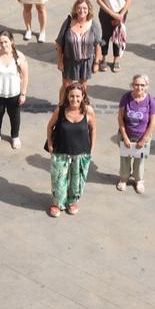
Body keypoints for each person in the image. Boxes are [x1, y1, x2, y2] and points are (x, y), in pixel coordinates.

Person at [45, 84, 96, 217]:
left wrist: (92, 147)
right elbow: (50, 127)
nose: (75, 99)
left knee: (77, 180)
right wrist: (50, 144)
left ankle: (72, 201)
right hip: (60, 152)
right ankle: (57, 203)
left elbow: (93, 129)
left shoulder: (88, 111)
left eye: (78, 96)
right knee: (58, 179)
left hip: (81, 153)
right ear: (67, 96)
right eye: (72, 96)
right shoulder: (61, 110)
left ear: (83, 96)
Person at [0, 30, 29, 150]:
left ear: (11, 41)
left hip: (13, 93)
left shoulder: (19, 56)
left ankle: (15, 136)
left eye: (6, 42)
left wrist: (23, 93)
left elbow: (25, 76)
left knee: (15, 116)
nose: (3, 45)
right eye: (1, 42)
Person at [117, 74, 155, 194]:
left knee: (140, 159)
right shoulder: (126, 97)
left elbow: (153, 123)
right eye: (136, 85)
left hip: (142, 136)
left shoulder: (150, 101)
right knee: (124, 158)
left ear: (146, 86)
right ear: (132, 85)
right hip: (127, 134)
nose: (139, 87)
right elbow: (120, 118)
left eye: (142, 85)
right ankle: (124, 178)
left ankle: (138, 180)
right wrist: (124, 137)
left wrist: (144, 139)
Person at [55, 0, 102, 98]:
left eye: (85, 8)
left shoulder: (93, 25)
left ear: (89, 9)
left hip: (86, 61)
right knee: (66, 85)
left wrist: (96, 63)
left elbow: (98, 45)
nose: (82, 10)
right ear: (75, 9)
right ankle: (62, 105)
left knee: (83, 86)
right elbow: (59, 44)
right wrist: (60, 61)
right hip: (69, 60)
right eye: (79, 8)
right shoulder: (68, 22)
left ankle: (81, 105)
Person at [95, 0, 131, 72]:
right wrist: (111, 13)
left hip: (121, 13)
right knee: (106, 36)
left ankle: (116, 60)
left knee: (117, 36)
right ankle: (104, 58)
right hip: (106, 13)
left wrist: (121, 14)